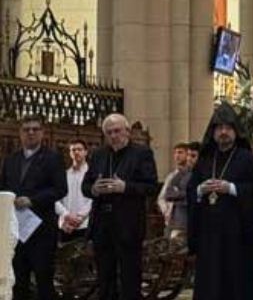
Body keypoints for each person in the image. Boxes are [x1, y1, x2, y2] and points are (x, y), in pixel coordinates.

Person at [187, 104, 253, 300]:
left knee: (236, 286)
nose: (223, 132)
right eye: (219, 128)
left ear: (235, 131)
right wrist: (199, 190)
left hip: (237, 236)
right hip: (208, 236)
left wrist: (231, 189)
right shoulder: (204, 160)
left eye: (228, 128)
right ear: (212, 132)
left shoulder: (247, 159)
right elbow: (190, 190)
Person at [82, 113, 159, 300]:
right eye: (109, 133)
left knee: (129, 277)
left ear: (128, 131)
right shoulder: (99, 154)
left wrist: (125, 187)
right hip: (102, 225)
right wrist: (93, 189)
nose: (113, 136)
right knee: (104, 278)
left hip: (129, 225)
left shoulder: (141, 153)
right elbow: (85, 186)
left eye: (117, 131)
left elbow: (151, 186)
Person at [0, 115, 67, 300]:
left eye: (35, 129)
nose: (31, 133)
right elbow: (3, 188)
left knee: (43, 280)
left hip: (41, 229)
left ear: (42, 133)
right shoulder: (11, 159)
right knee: (18, 281)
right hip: (16, 230)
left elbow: (61, 189)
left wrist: (33, 200)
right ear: (20, 133)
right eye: (26, 129)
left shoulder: (53, 158)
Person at [56, 139, 92, 241]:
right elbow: (55, 198)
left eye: (79, 149)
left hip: (84, 225)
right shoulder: (64, 175)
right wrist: (66, 215)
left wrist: (80, 217)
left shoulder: (92, 173)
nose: (76, 152)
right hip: (64, 226)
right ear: (70, 153)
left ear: (86, 152)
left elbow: (94, 199)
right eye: (73, 150)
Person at [157, 142, 191, 238]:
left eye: (180, 152)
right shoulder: (171, 176)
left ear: (187, 155)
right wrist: (166, 211)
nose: (177, 156)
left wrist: (177, 194)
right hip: (170, 220)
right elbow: (162, 197)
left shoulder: (191, 174)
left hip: (184, 219)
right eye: (175, 153)